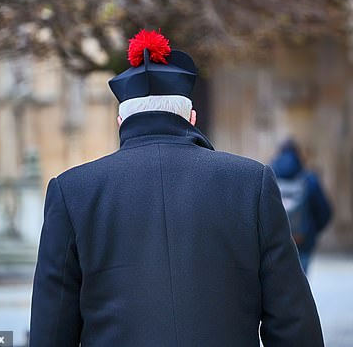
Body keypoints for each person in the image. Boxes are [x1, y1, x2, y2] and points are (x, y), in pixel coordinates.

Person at [29, 29, 324, 346]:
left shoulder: (71, 192)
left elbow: (52, 328)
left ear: (121, 121)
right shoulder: (252, 184)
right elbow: (294, 324)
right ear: (191, 118)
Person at [271, 140, 333, 274]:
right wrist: (312, 230)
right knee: (301, 283)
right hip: (303, 240)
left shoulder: (269, 177)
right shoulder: (309, 179)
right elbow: (325, 211)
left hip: (276, 241)